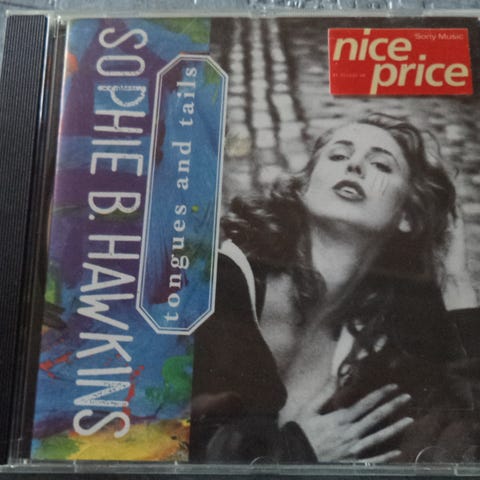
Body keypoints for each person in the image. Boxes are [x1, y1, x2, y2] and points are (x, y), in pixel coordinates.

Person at [189, 113, 480, 464]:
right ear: (304, 187)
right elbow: (162, 447)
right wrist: (298, 450)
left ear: (407, 216)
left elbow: (467, 443)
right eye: (339, 155)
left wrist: (457, 283)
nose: (354, 165)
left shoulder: (380, 335)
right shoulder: (218, 284)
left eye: (381, 165)